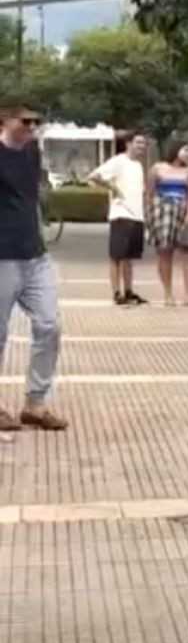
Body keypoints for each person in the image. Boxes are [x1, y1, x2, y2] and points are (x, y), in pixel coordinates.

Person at [0, 96, 67, 432]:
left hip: (35, 255)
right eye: (24, 122)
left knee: (50, 325)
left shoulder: (31, 151)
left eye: (34, 122)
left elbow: (33, 195)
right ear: (4, 120)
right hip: (3, 256)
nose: (31, 128)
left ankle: (35, 403)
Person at [89, 131, 149, 306]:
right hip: (121, 215)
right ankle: (116, 292)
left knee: (129, 257)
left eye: (143, 144)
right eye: (138, 143)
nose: (141, 147)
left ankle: (129, 291)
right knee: (117, 256)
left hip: (137, 215)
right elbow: (94, 176)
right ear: (128, 144)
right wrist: (112, 188)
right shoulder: (118, 161)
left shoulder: (138, 166)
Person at [147, 139, 188, 308]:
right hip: (163, 213)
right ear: (175, 151)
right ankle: (168, 294)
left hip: (182, 211)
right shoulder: (158, 168)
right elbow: (149, 193)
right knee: (165, 253)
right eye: (185, 150)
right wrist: (149, 216)